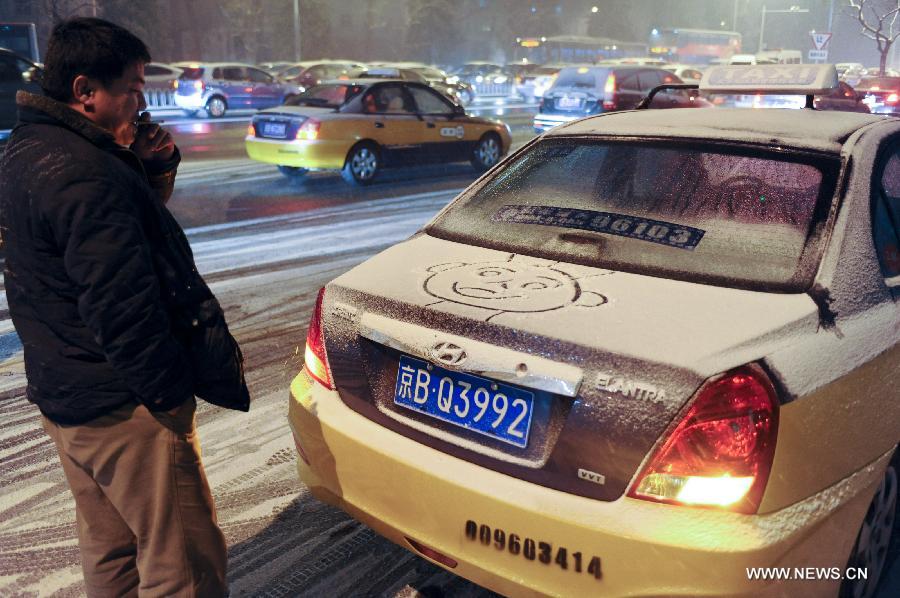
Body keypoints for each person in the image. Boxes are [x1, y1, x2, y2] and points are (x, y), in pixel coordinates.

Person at [0, 18, 249, 597]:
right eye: (133, 88)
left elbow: (96, 248)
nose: (143, 99)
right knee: (181, 564)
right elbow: (122, 304)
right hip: (123, 408)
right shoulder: (88, 174)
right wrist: (165, 401)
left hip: (68, 397)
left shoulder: (30, 148)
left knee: (111, 548)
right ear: (86, 92)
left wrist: (146, 167)